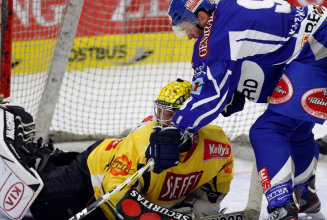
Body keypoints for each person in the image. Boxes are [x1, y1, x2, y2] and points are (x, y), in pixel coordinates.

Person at [144, 1, 327, 220]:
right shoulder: (227, 8)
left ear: (201, 17)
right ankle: (304, 196)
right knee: (295, 130)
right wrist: (237, 89)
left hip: (317, 49)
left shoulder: (216, 37)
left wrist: (178, 128)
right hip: (317, 36)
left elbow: (210, 95)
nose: (189, 36)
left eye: (185, 28)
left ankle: (282, 208)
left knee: (268, 131)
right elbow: (266, 45)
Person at [0, 79, 234, 220]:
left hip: (110, 163)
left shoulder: (217, 143)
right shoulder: (144, 142)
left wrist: (200, 206)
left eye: (171, 114)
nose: (164, 121)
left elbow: (216, 187)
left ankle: (49, 158)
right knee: (35, 201)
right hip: (90, 178)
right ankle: (16, 133)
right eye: (161, 112)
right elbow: (116, 200)